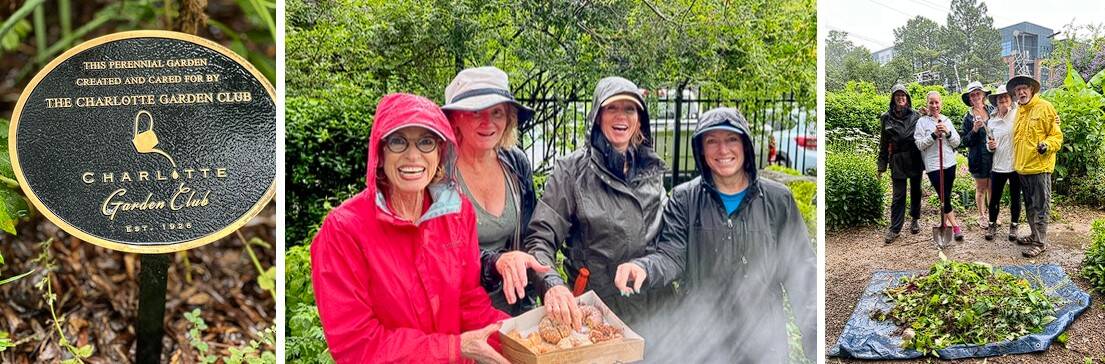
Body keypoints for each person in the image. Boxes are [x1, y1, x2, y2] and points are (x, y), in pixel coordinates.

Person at [311, 93, 510, 363]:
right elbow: (356, 344)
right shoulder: (344, 230)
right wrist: (453, 348)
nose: (413, 155)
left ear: (441, 151)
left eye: (426, 142)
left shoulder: (457, 213)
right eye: (398, 141)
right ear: (380, 153)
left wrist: (525, 339)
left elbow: (469, 302)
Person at [610, 107, 815, 362]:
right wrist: (644, 268)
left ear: (745, 145)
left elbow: (802, 277)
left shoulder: (777, 200)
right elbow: (671, 255)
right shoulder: (684, 199)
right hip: (703, 342)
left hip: (764, 345)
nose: (723, 150)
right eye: (712, 142)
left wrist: (815, 346)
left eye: (731, 139)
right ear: (701, 150)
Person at [498, 76, 672, 331]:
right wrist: (552, 284)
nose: (620, 116)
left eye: (629, 109)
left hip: (658, 313)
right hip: (596, 314)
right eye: (611, 108)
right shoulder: (572, 171)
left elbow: (670, 243)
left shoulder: (651, 169)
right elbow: (540, 239)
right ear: (597, 115)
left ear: (639, 119)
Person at [440, 66, 546, 316]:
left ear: (508, 118)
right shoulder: (439, 170)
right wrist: (496, 261)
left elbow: (531, 236)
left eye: (497, 112)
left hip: (511, 309)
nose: (487, 122)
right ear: (455, 117)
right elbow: (439, 250)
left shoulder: (515, 163)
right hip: (455, 314)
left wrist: (533, 297)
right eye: (475, 111)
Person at [1008, 74, 1063, 257]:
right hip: (1023, 168)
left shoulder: (1045, 108)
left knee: (1041, 207)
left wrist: (1046, 145)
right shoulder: (1019, 112)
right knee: (1030, 206)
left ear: (1031, 89)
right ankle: (1034, 235)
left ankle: (1040, 243)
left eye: (1024, 88)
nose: (1021, 92)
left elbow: (1056, 136)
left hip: (1040, 168)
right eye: (1017, 90)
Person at [877, 84, 926, 244]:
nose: (900, 98)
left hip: (914, 157)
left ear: (907, 98)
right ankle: (895, 228)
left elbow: (925, 133)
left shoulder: (916, 115)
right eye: (897, 96)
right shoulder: (886, 117)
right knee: (898, 195)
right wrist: (881, 166)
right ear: (893, 98)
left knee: (916, 191)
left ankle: (914, 219)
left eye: (903, 95)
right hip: (897, 160)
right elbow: (883, 143)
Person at [915, 91, 963, 241]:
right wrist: (934, 135)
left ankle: (944, 222)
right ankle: (955, 227)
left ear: (941, 103)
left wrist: (947, 133)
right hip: (934, 166)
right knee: (944, 196)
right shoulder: (922, 122)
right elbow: (919, 144)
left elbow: (957, 142)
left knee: (946, 195)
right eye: (931, 102)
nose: (934, 105)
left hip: (949, 163)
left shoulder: (946, 120)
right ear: (927, 104)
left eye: (937, 102)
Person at [985, 85, 1021, 241]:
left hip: (1015, 165)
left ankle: (1014, 226)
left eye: (1006, 97)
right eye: (1000, 98)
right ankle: (992, 225)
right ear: (997, 102)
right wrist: (990, 146)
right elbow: (989, 143)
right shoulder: (992, 122)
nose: (1003, 100)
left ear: (1010, 99)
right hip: (998, 166)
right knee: (994, 198)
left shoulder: (1018, 115)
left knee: (1015, 198)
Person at [959, 81, 995, 230]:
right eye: (972, 95)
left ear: (983, 95)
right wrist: (974, 130)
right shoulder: (967, 117)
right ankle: (981, 216)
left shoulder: (993, 110)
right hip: (978, 157)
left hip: (993, 155)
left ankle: (992, 215)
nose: (975, 97)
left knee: (992, 187)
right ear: (969, 98)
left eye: (978, 94)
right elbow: (964, 141)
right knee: (981, 188)